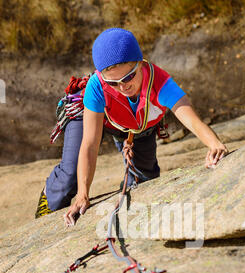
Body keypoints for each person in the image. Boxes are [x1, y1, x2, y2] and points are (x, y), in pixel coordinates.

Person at [35, 28, 228, 226]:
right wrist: (83, 194)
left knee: (144, 181)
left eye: (128, 77)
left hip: (137, 125)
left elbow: (191, 118)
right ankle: (47, 204)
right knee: (69, 176)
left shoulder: (160, 83)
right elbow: (90, 144)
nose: (123, 87)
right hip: (92, 115)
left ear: (141, 63)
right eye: (114, 83)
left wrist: (215, 144)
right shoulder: (97, 86)